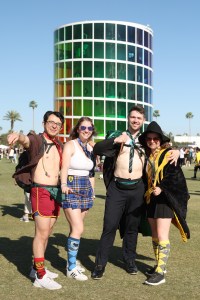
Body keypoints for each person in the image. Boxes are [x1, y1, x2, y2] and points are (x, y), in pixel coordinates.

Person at [91, 105, 179, 280]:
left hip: (137, 189)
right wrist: (117, 141)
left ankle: (129, 261)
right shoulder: (117, 136)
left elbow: (162, 148)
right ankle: (100, 265)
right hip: (117, 188)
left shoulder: (146, 141)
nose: (135, 120)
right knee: (109, 226)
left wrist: (175, 151)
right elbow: (98, 149)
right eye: (133, 117)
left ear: (143, 120)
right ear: (128, 118)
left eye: (139, 118)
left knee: (132, 228)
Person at [7, 111, 64, 290]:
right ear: (44, 123)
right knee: (41, 233)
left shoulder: (59, 144)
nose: (54, 125)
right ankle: (40, 276)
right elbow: (27, 140)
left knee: (48, 231)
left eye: (58, 123)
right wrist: (19, 135)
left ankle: (35, 268)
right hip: (41, 190)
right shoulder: (37, 140)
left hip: (56, 192)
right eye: (51, 122)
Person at [138, 121, 190, 286]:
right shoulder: (148, 156)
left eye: (155, 139)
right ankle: (158, 265)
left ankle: (161, 272)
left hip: (164, 199)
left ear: (160, 140)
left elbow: (175, 176)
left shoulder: (168, 154)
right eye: (149, 139)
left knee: (162, 235)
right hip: (151, 199)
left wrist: (161, 187)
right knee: (154, 235)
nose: (152, 141)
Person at [60, 117, 96, 281]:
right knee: (78, 228)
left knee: (76, 229)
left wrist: (93, 191)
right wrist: (63, 184)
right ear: (77, 128)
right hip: (71, 188)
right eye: (83, 127)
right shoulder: (71, 144)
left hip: (86, 190)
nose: (86, 130)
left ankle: (71, 262)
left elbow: (92, 173)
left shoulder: (91, 147)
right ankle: (71, 267)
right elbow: (65, 167)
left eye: (89, 128)